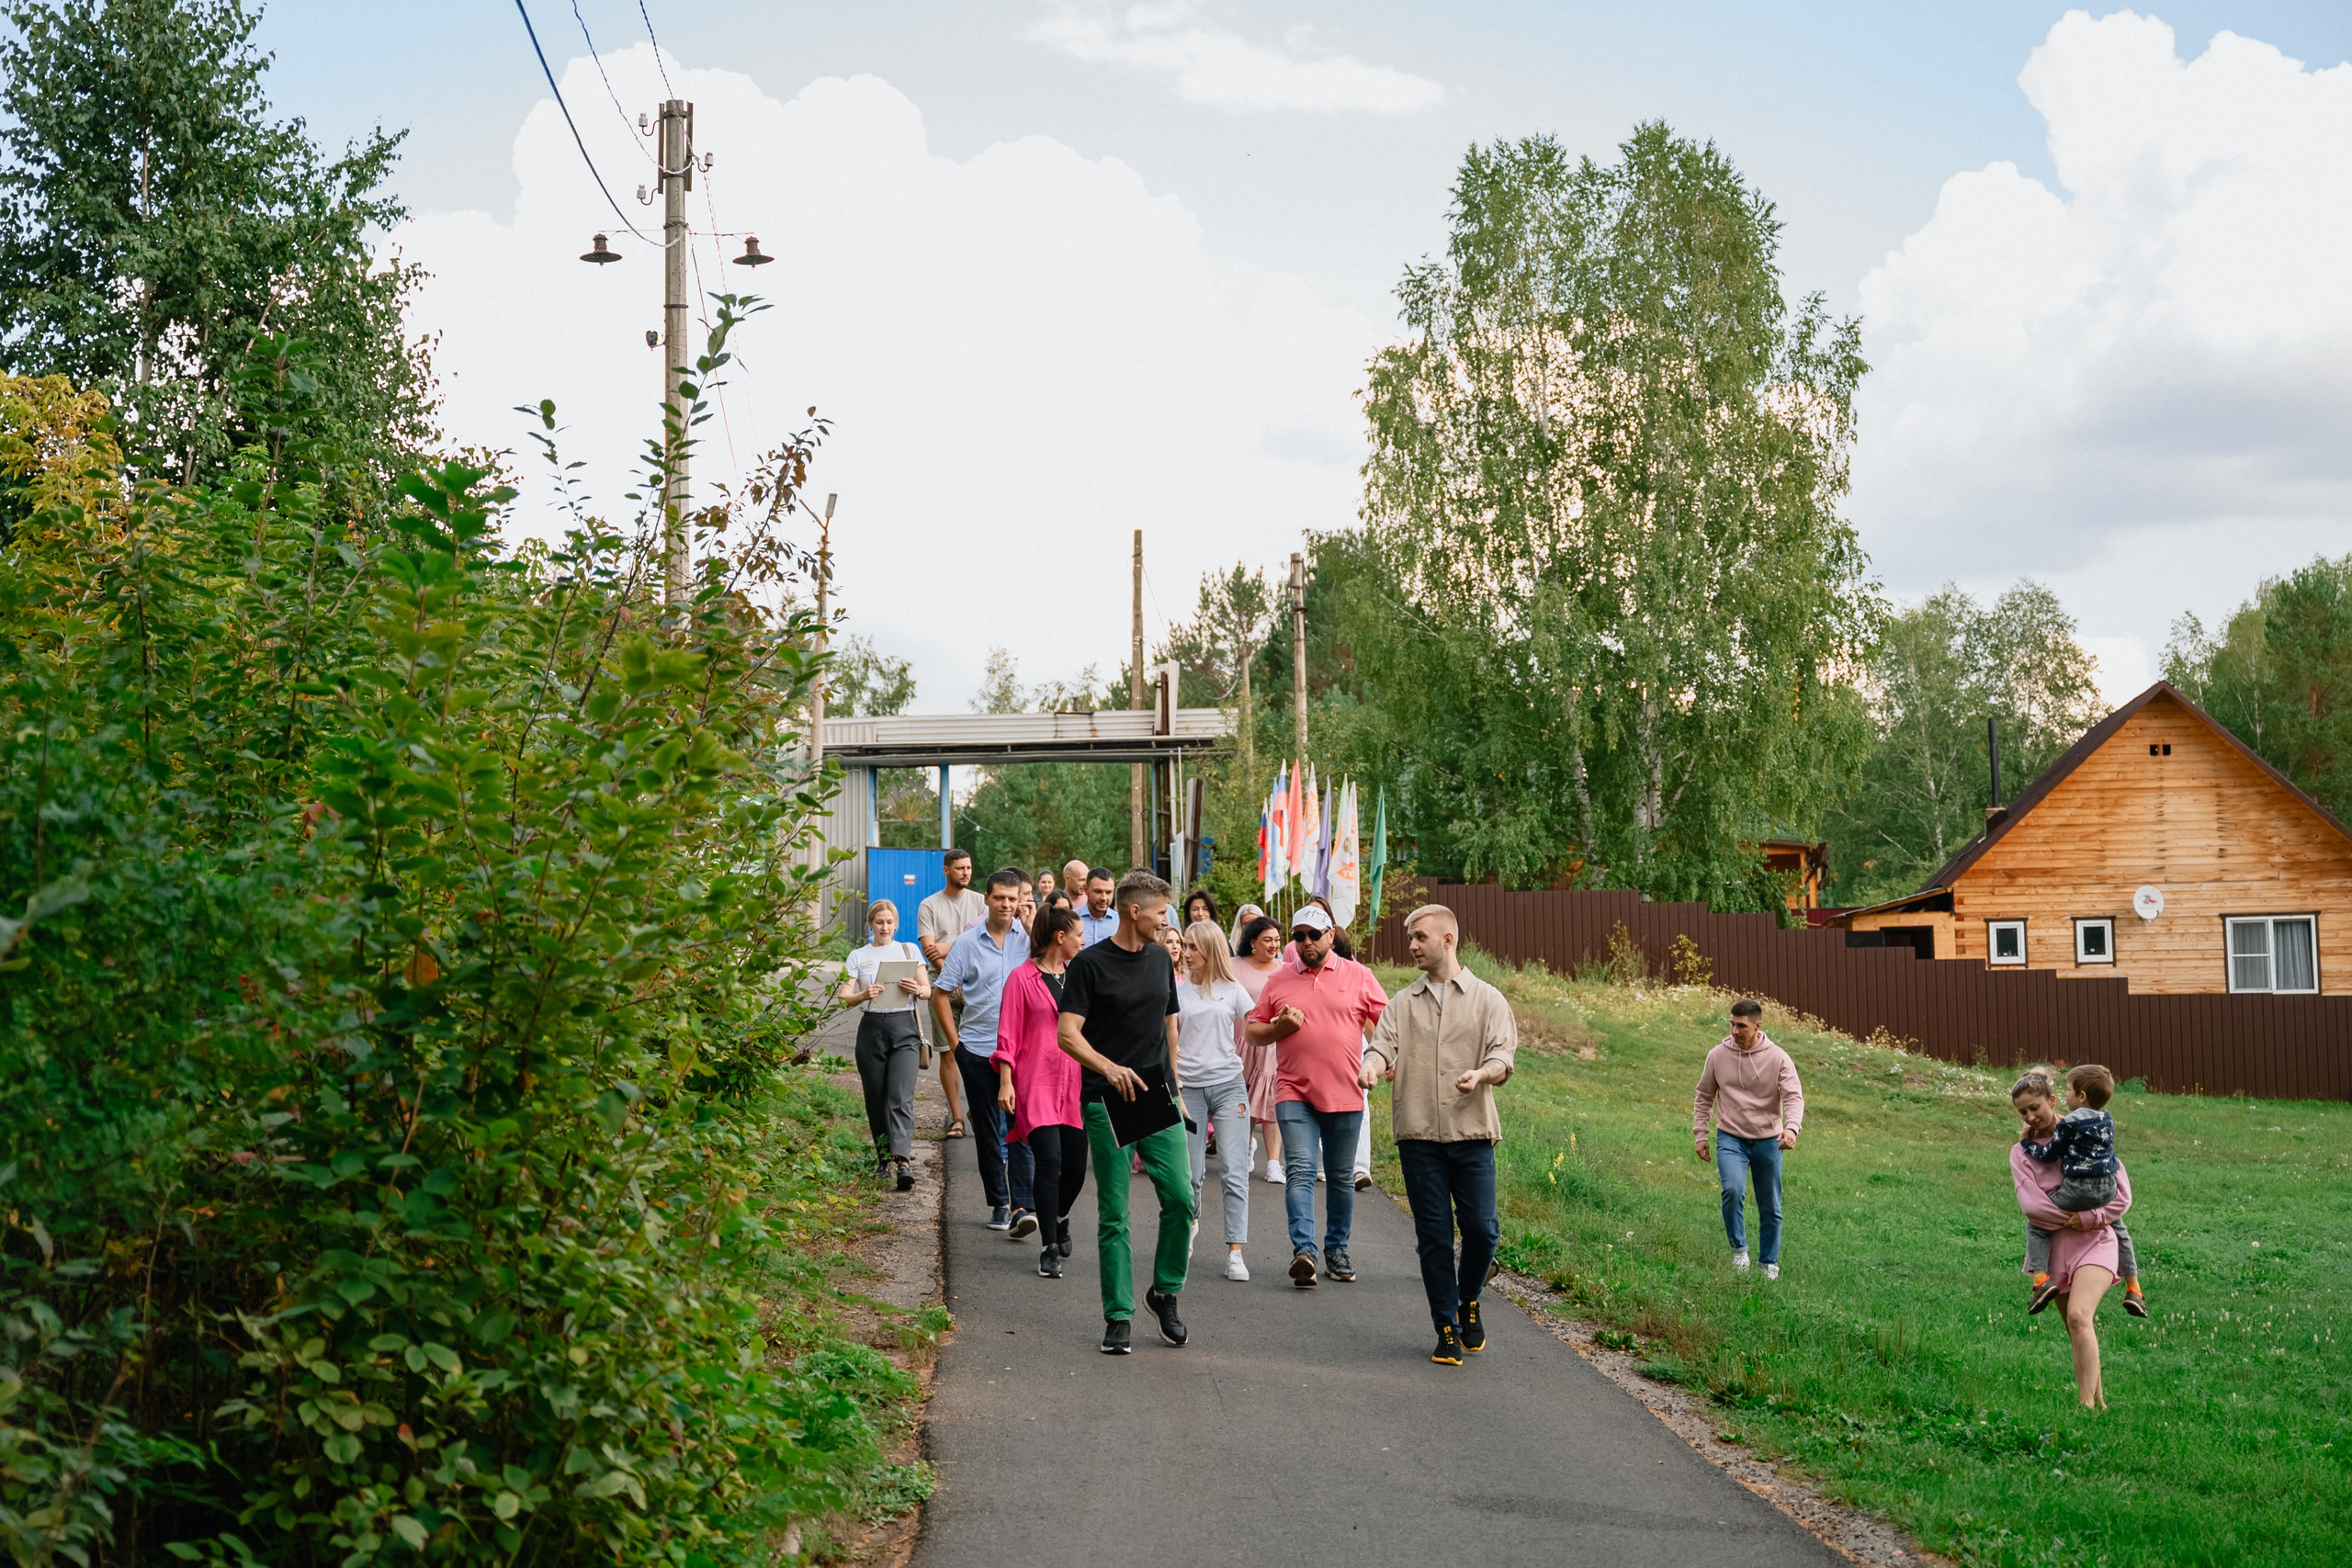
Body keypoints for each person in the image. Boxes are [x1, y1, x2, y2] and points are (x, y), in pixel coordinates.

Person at [1363, 905, 1519, 1365]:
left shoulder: (1488, 999)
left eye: (1419, 937)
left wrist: (1482, 1075)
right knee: (1433, 1236)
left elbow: (1503, 1056)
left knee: (1482, 1230)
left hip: (1471, 1133)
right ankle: (1445, 1327)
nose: (1411, 945)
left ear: (1447, 940)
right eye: (1410, 937)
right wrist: (1370, 1068)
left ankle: (1468, 1297)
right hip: (1418, 1137)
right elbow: (1380, 1047)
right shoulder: (1401, 1003)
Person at [1057, 870, 1193, 1354]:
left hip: (1157, 1096)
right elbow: (1067, 1034)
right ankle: (1118, 1316)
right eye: (1160, 913)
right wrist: (1109, 1068)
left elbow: (1168, 1026)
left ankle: (1165, 1291)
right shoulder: (1089, 965)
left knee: (1181, 1199)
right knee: (1115, 1214)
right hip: (1107, 1099)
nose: (1165, 922)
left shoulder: (1160, 960)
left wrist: (1175, 1088)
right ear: (1135, 911)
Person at [1247, 904, 1387, 1289]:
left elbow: (1387, 1024)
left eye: (1313, 935)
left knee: (1341, 1177)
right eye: (1298, 936)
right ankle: (1304, 1252)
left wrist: (1381, 1061)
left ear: (1330, 935)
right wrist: (1279, 1028)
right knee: (1302, 1171)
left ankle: (1336, 1250)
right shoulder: (1279, 980)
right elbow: (1253, 1030)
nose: (1306, 942)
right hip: (1294, 1090)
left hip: (1346, 1092)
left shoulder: (1359, 976)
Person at [2010, 1069, 2132, 1408]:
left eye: (2035, 1107)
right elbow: (2031, 1206)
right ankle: (2099, 1402)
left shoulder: (2086, 1130)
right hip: (2056, 1251)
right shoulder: (2021, 1153)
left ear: (2052, 1100)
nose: (2031, 1117)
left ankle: (2085, 1407)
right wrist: (2068, 1219)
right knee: (2077, 1329)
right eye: (2023, 1112)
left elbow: (2121, 1197)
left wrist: (2087, 1218)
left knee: (2080, 1316)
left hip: (2095, 1240)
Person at [932, 868, 1037, 1234]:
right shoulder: (967, 943)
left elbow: (1057, 967)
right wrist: (956, 1045)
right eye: (1000, 898)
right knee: (990, 1131)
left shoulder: (1029, 940)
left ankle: (1023, 1206)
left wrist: (1034, 922)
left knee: (1022, 1127)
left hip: (1022, 1052)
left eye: (1013, 898)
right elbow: (940, 994)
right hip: (977, 1049)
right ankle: (999, 1203)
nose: (1007, 905)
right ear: (987, 900)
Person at [996, 905, 1089, 1278]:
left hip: (1076, 1084)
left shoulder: (1078, 978)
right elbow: (1008, 1032)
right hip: (1035, 1081)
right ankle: (1049, 1246)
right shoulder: (1021, 978)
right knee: (1049, 1162)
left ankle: (1060, 1215)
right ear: (1060, 937)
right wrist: (1006, 1080)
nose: (1084, 941)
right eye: (1079, 935)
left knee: (1077, 1168)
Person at [1690, 998, 1804, 1279]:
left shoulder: (1778, 1058)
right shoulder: (1717, 1055)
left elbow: (1793, 1096)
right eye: (1732, 1024)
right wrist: (1701, 1133)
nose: (1735, 1030)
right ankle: (1739, 1251)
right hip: (1731, 1138)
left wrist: (1791, 1129)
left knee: (1770, 1206)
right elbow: (1704, 1096)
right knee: (1732, 1191)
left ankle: (1768, 1265)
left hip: (1768, 1140)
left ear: (1757, 1026)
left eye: (1741, 1025)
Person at [2021, 1064, 2145, 1317]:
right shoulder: (2106, 1120)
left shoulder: (2069, 1123)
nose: (2066, 1094)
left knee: (2036, 1225)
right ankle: (2134, 1288)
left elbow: (2049, 1153)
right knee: (2119, 1227)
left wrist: (2026, 1142)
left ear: (2081, 1096)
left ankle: (2040, 1279)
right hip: (2107, 1187)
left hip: (2078, 1188)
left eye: (2068, 1089)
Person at [1176, 920, 1255, 1281]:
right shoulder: (1175, 991)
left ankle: (1235, 1251)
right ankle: (1190, 1226)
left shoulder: (1233, 990)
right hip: (1188, 1090)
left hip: (1229, 1087)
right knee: (1190, 1174)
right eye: (1184, 946)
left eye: (1192, 947)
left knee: (1235, 1171)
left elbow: (1257, 1023)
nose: (1185, 952)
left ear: (1209, 949)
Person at [837, 899, 932, 1192]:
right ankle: (882, 1158)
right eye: (880, 922)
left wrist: (916, 989)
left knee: (900, 1095)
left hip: (904, 1028)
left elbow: (927, 990)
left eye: (890, 922)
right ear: (870, 924)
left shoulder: (909, 950)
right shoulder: (858, 956)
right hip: (872, 1029)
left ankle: (902, 1160)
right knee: (876, 1097)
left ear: (897, 924)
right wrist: (863, 994)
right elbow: (844, 996)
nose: (885, 927)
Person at [917, 849, 987, 1138]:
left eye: (969, 868)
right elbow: (929, 949)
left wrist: (948, 946)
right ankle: (956, 1118)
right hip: (940, 988)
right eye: (960, 868)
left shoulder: (982, 902)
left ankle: (977, 1108)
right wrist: (951, 974)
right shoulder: (929, 905)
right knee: (949, 1054)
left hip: (976, 986)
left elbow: (985, 941)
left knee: (978, 1053)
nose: (966, 873)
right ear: (947, 871)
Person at [1232, 914, 1286, 1184]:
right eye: (1268, 939)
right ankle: (1244, 1150)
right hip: (1240, 1043)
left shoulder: (1286, 970)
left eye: (1277, 940)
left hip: (1272, 1045)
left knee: (1270, 1103)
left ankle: (1274, 1163)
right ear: (1253, 942)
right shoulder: (1234, 966)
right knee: (1243, 1101)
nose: (1274, 945)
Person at [1076, 868, 1119, 946]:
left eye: (1108, 892)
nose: (1103, 898)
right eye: (1098, 891)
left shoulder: (1120, 922)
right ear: (1086, 890)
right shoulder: (1071, 919)